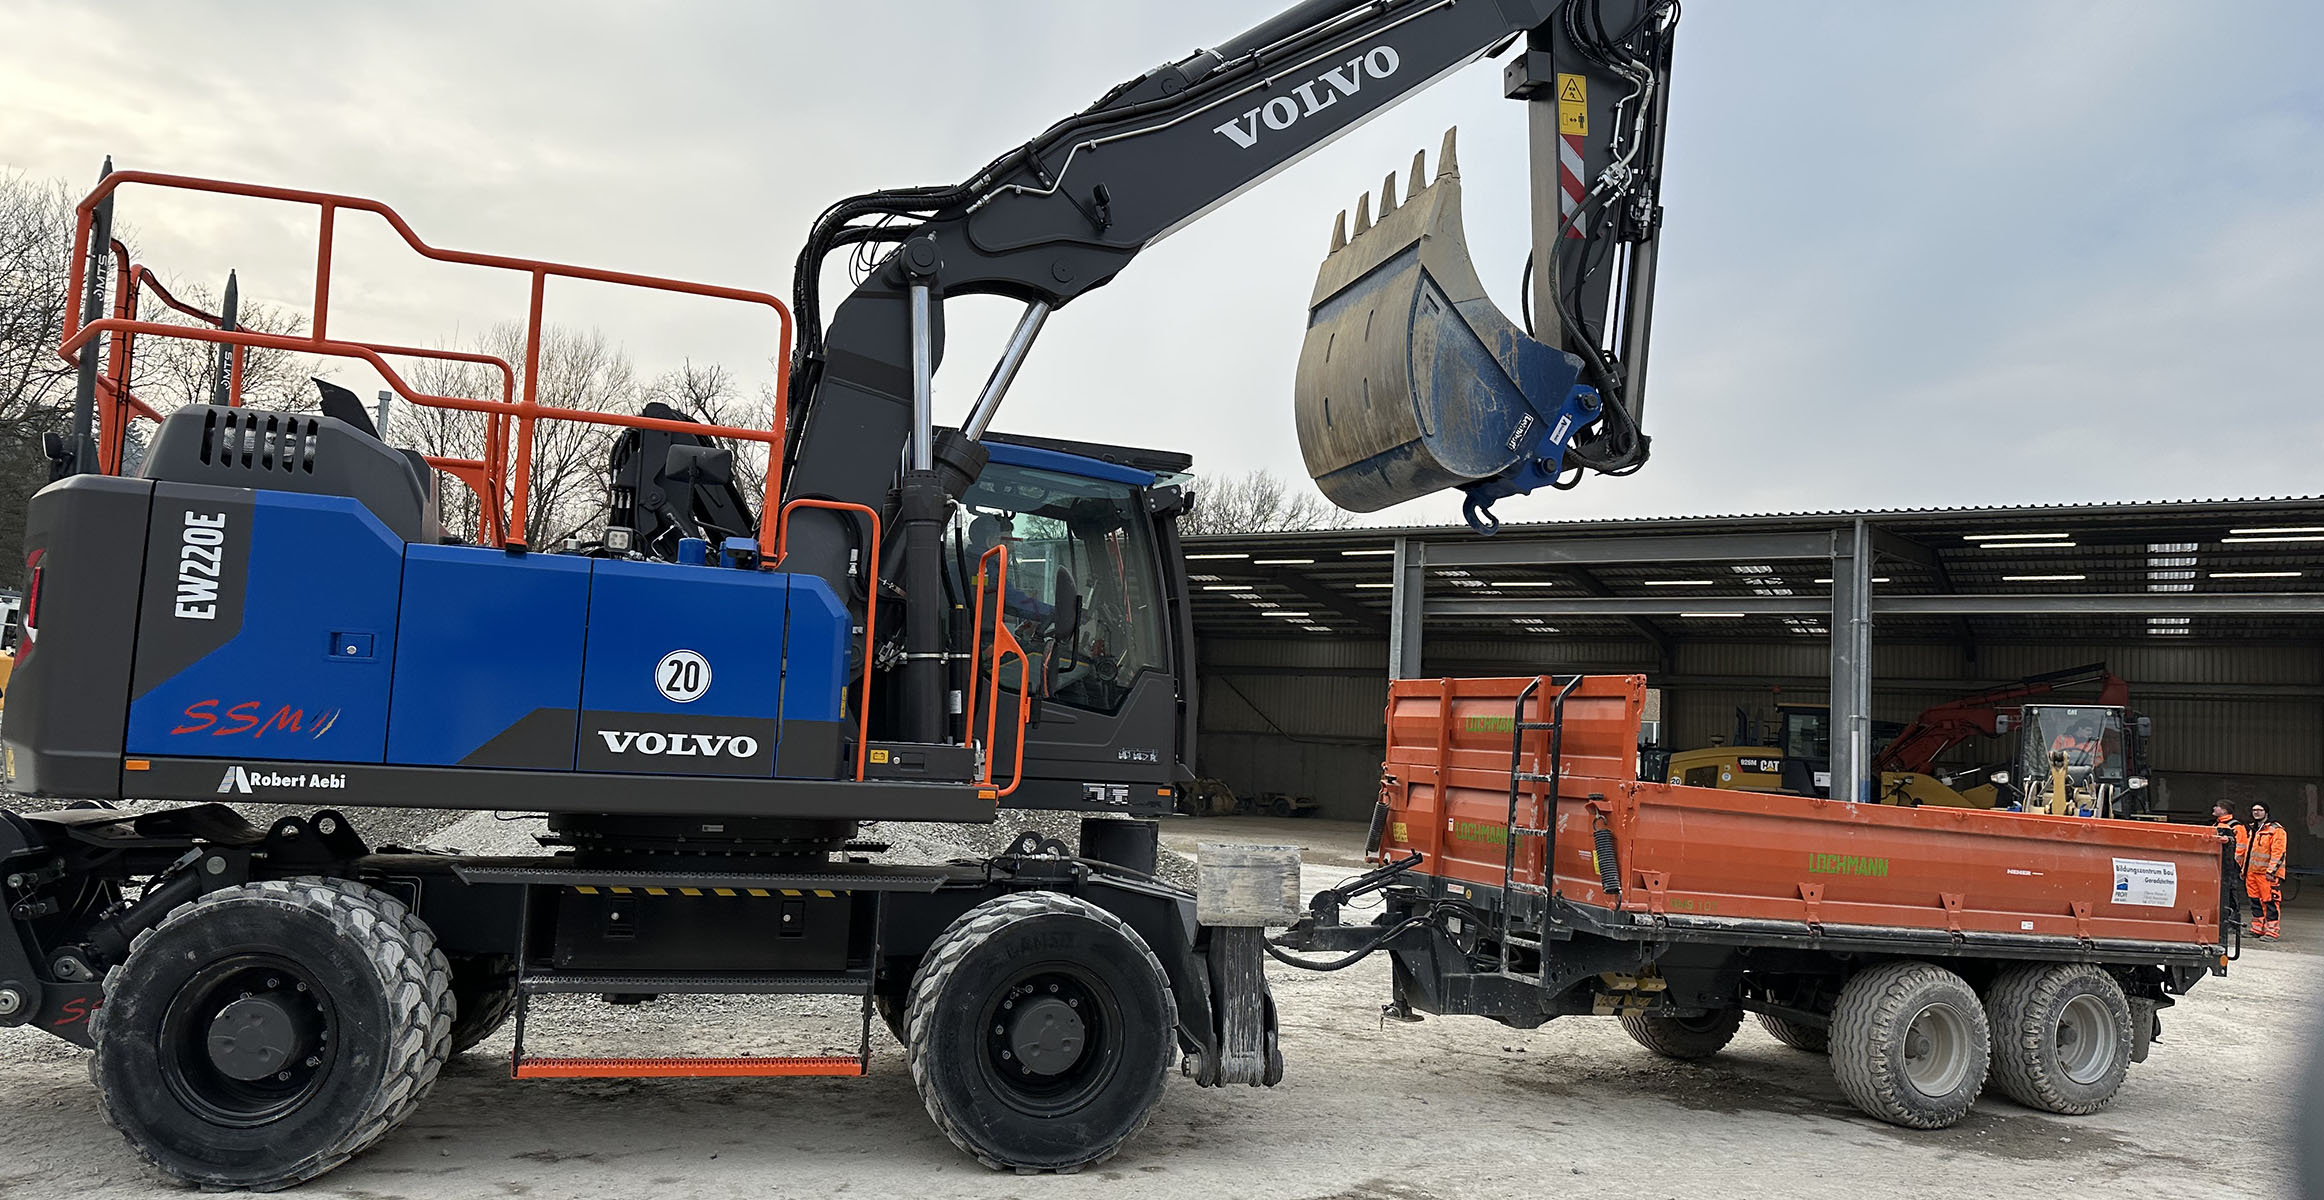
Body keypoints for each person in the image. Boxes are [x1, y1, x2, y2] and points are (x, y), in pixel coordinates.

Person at [2244, 802, 2289, 941]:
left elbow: (2279, 853)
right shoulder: (2253, 829)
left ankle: (2272, 932)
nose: (2256, 812)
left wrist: (2271, 871)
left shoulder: (2276, 830)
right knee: (2255, 902)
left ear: (2266, 812)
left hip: (2267, 874)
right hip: (2252, 873)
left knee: (2270, 903)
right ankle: (2257, 928)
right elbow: (2248, 852)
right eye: (2254, 810)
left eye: (2260, 810)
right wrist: (2244, 870)